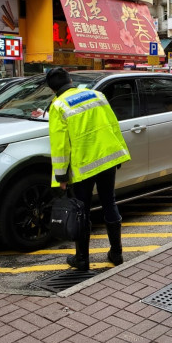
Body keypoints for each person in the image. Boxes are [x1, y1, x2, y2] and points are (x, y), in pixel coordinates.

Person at [46, 67, 131, 270]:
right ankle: (116, 253)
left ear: (52, 89)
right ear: (70, 80)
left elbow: (60, 146)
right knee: (109, 202)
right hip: (107, 159)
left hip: (83, 166)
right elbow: (113, 125)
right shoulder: (97, 95)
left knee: (81, 211)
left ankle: (82, 259)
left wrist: (61, 177)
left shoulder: (58, 106)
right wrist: (119, 153)